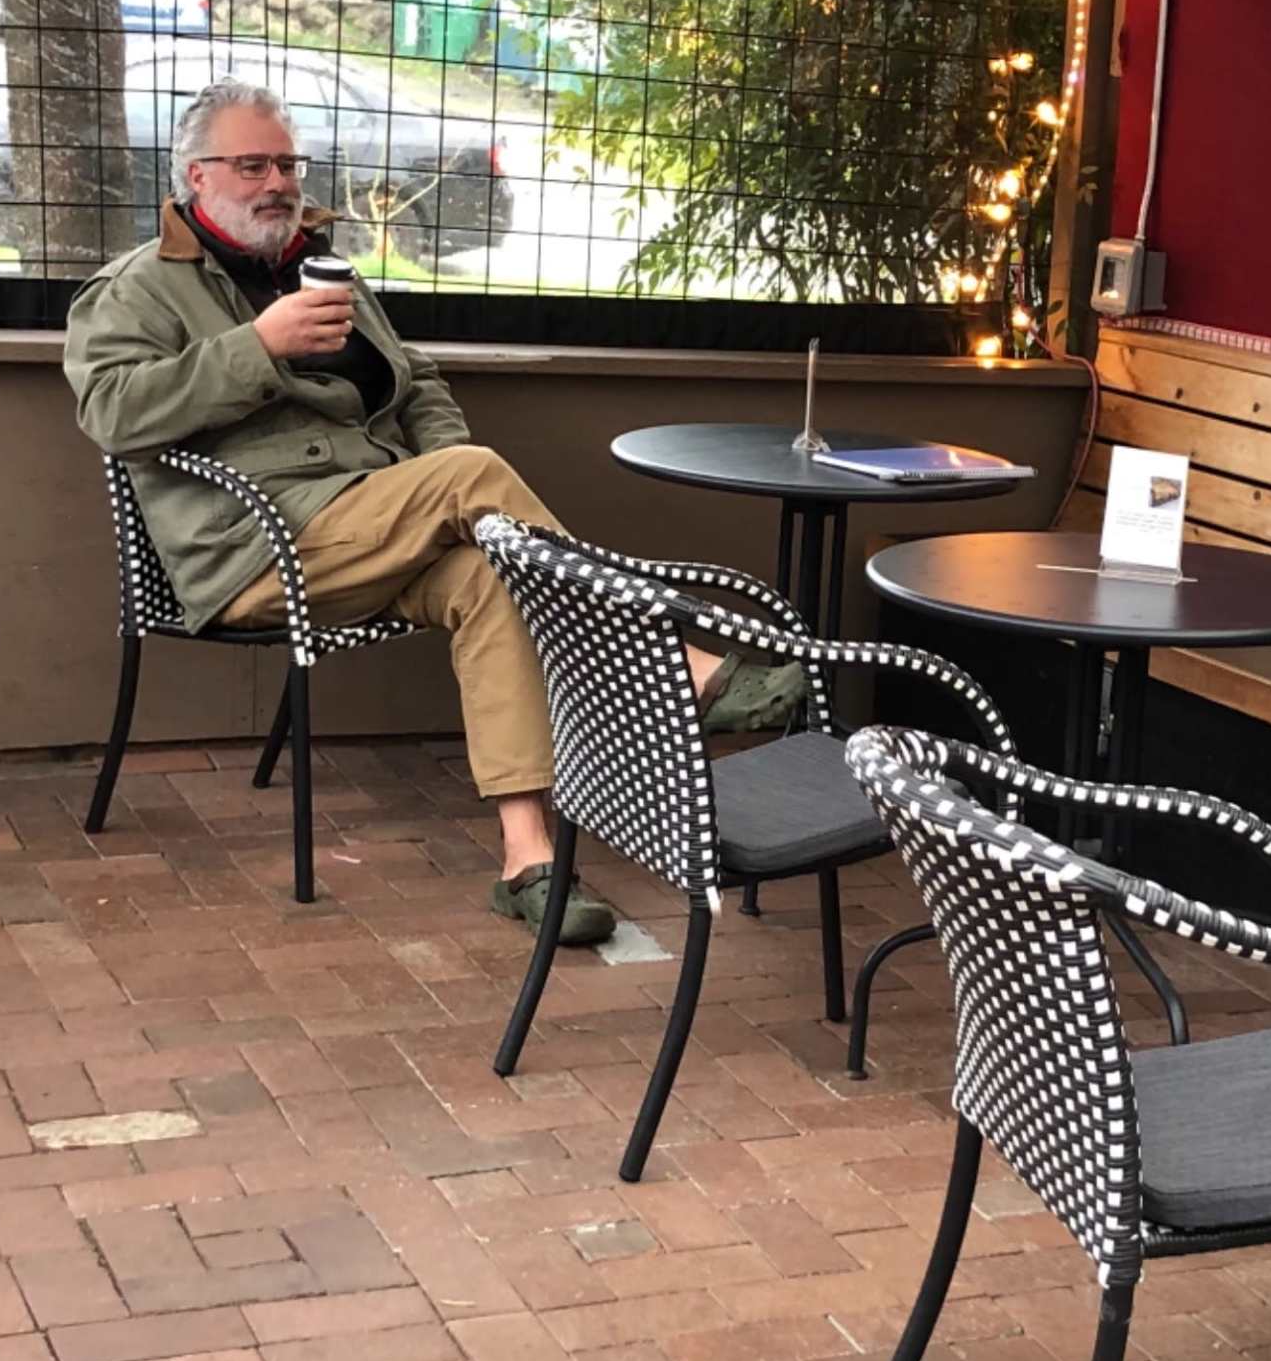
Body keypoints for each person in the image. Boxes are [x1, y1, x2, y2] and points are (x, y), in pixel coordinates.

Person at [66, 80, 800, 947]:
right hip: (255, 554)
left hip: (374, 522)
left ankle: (527, 862)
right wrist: (257, 347)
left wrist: (435, 478)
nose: (278, 182)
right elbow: (112, 414)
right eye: (252, 164)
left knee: (493, 571)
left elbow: (418, 381)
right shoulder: (139, 288)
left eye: (288, 163)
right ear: (195, 175)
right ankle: (670, 660)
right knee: (471, 478)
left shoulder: (318, 265)